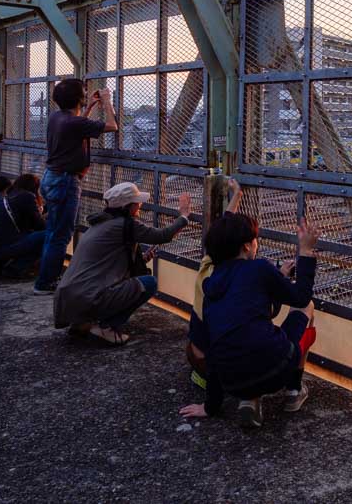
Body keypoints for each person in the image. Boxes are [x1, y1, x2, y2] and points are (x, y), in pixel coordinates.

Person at [178, 214, 319, 429]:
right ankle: (294, 390)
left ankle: (250, 399)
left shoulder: (211, 285)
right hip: (274, 369)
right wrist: (307, 252)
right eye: (255, 240)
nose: (256, 244)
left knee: (245, 341)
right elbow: (299, 296)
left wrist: (209, 407)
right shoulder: (258, 268)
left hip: (232, 383)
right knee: (306, 307)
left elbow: (213, 347)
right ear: (246, 246)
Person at [54, 182, 194, 345]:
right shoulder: (125, 225)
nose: (140, 205)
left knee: (131, 283)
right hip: (88, 297)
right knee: (149, 283)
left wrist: (142, 258)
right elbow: (163, 235)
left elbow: (107, 263)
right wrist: (184, 216)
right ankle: (106, 327)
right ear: (128, 206)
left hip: (69, 298)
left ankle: (83, 322)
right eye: (137, 202)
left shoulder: (100, 224)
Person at [35, 79, 118, 295]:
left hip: (51, 177)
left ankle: (46, 277)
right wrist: (107, 102)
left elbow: (78, 125)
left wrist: (89, 107)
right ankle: (45, 283)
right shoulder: (73, 122)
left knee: (52, 231)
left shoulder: (57, 117)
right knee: (61, 235)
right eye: (84, 92)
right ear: (78, 97)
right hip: (65, 181)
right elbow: (112, 126)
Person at [185, 177, 242, 391]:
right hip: (223, 364)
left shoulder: (207, 264)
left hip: (196, 355)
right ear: (245, 248)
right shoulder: (243, 279)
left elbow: (221, 229)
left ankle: (204, 376)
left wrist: (236, 195)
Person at [0, 174, 46, 279]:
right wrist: (45, 215)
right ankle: (15, 269)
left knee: (8, 234)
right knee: (46, 236)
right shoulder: (27, 196)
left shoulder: (3, 195)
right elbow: (40, 226)